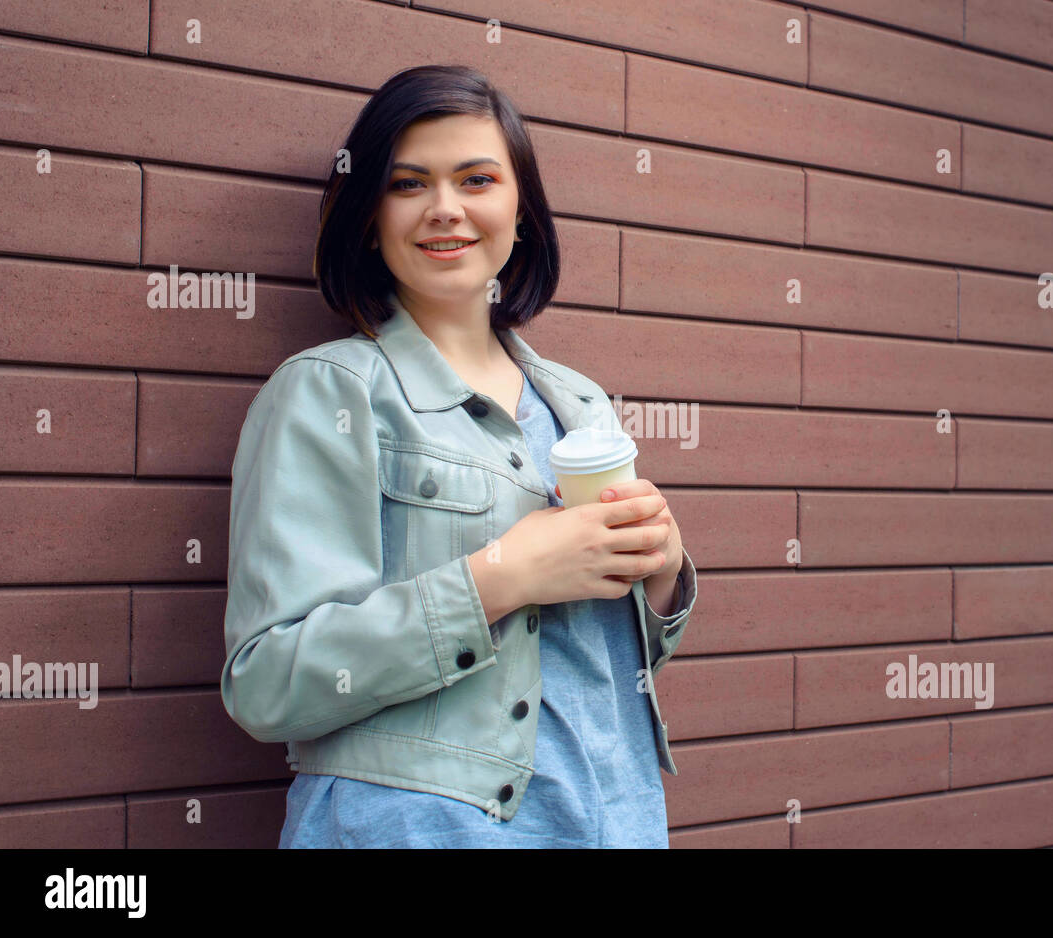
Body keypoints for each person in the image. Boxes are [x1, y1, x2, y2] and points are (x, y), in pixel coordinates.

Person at [220, 64, 698, 848]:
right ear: (370, 216)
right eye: (409, 184)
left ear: (522, 212)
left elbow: (597, 664)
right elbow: (269, 682)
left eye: (477, 178)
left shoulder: (578, 403)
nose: (445, 209)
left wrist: (662, 573)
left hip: (616, 819)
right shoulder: (329, 394)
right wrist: (500, 578)